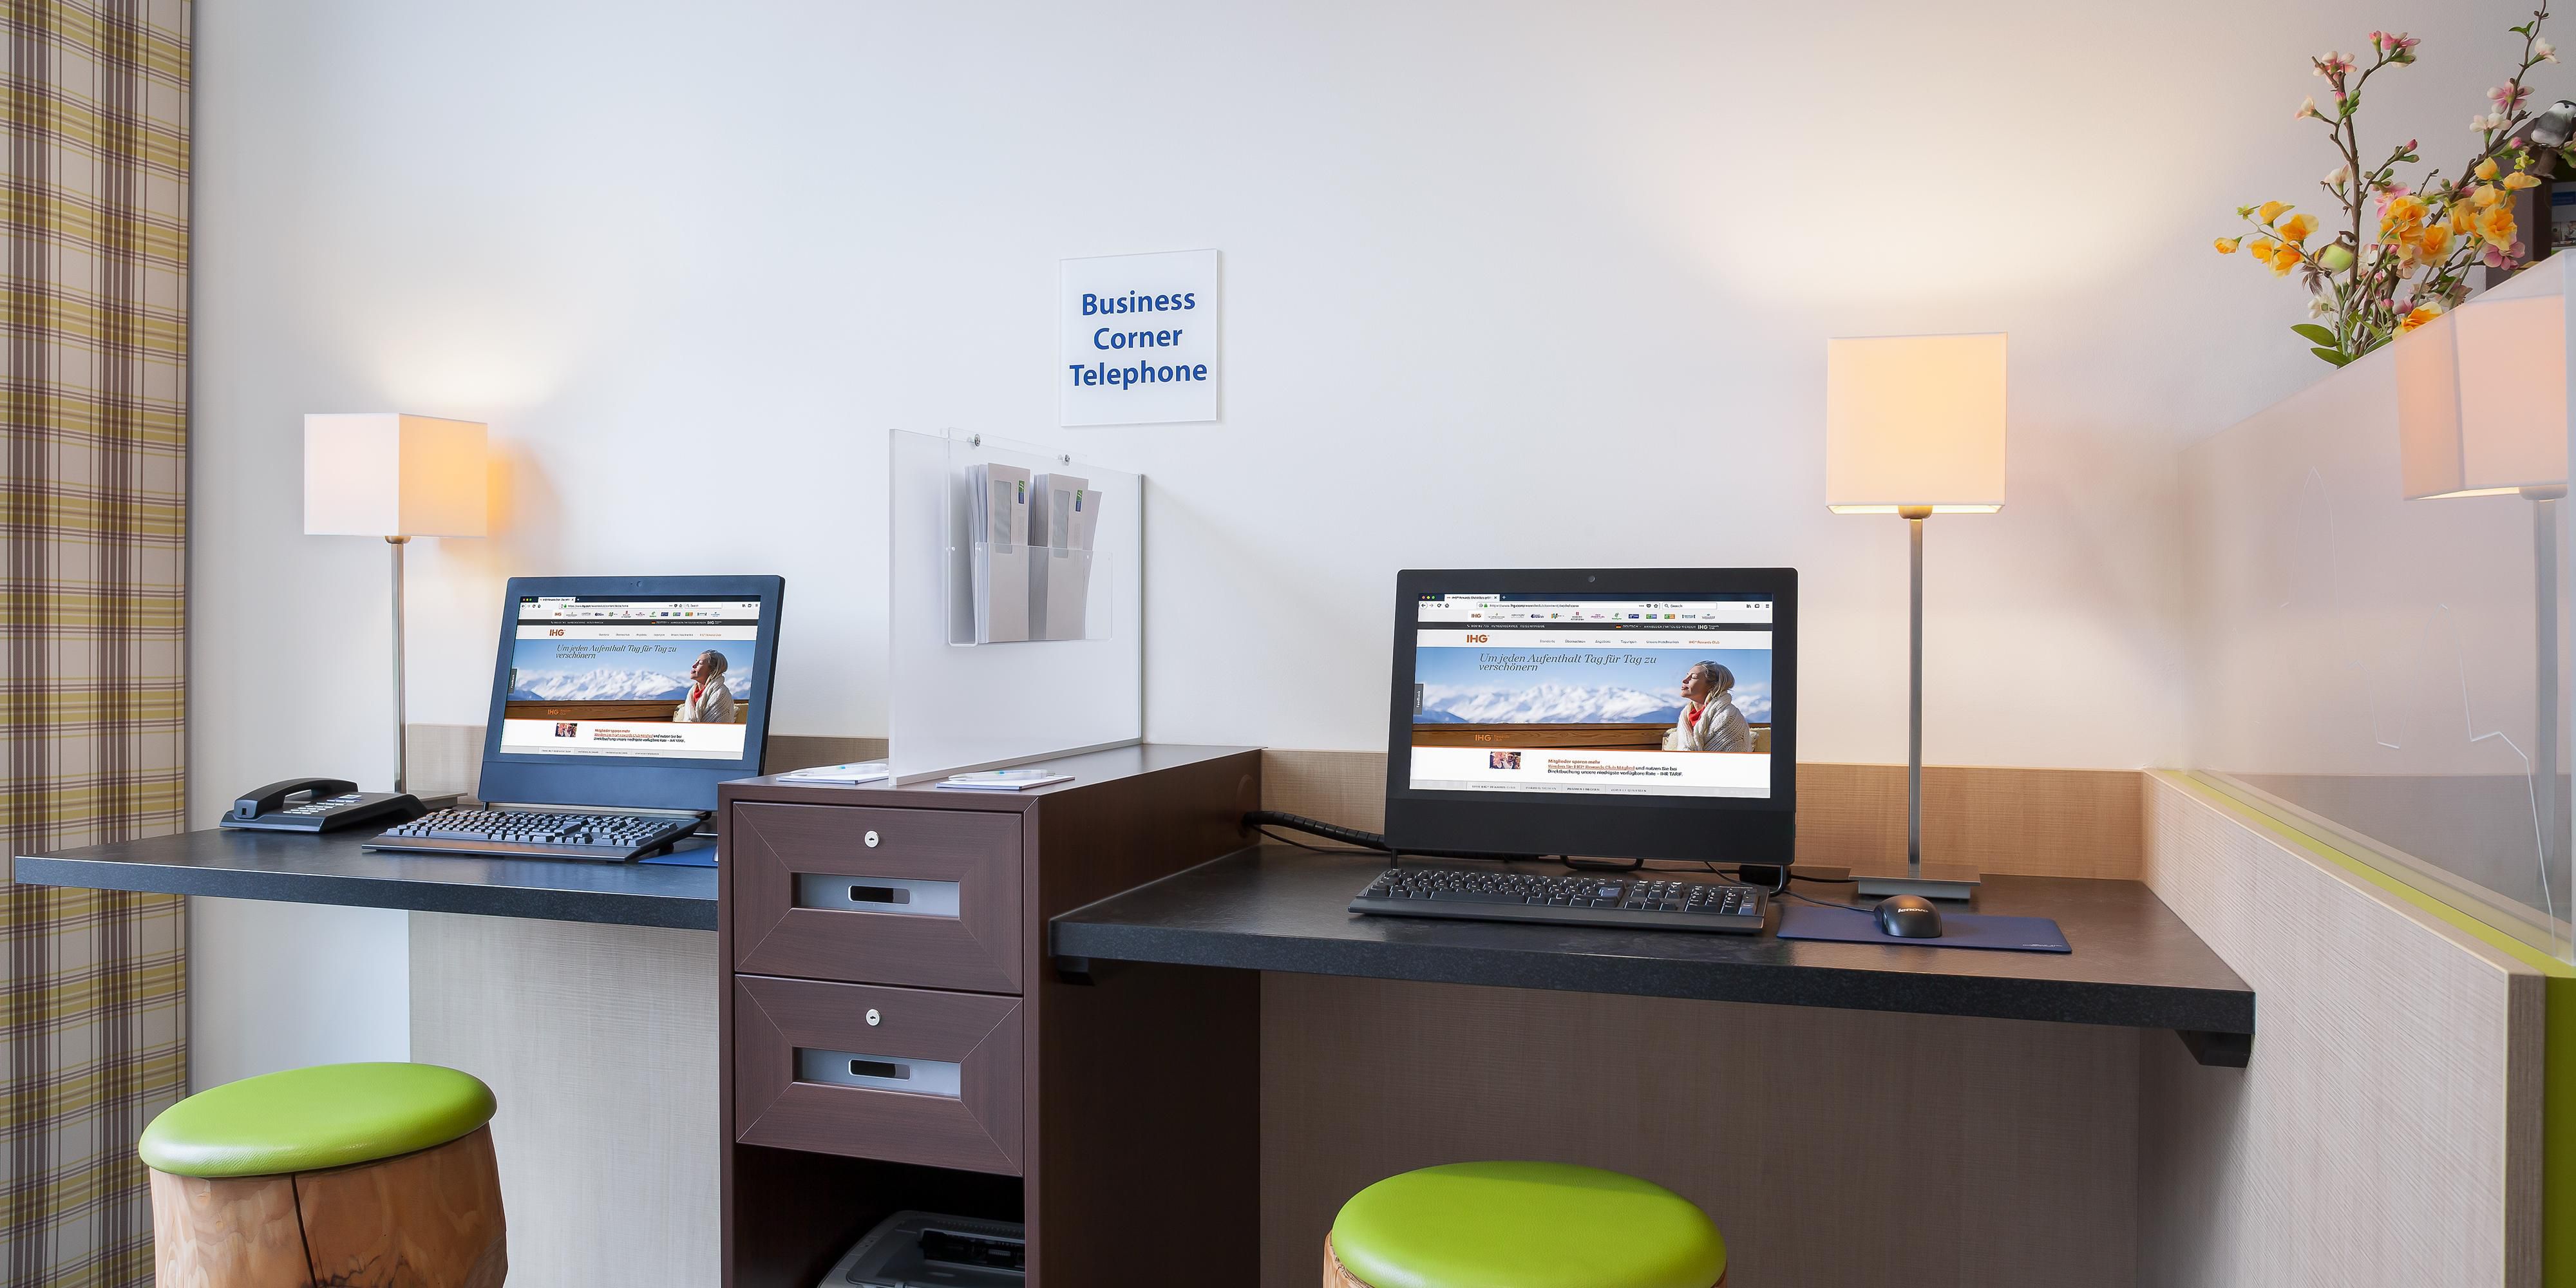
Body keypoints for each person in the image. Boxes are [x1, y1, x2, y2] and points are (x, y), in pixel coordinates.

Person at [1663, 661, 1750, 752]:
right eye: (1687, 675)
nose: (1684, 680)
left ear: (1712, 686)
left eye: (1693, 677)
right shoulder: (1686, 716)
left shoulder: (1728, 717)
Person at [674, 650, 737, 723]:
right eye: (696, 661)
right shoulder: (692, 693)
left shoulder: (721, 694)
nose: (694, 666)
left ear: (712, 670)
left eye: (700, 663)